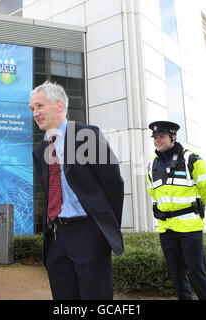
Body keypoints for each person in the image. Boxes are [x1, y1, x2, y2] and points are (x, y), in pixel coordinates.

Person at [31, 81, 124, 300]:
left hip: (89, 233)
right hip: (56, 238)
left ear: (59, 106)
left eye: (40, 106)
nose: (35, 113)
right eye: (32, 109)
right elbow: (47, 192)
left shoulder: (87, 136)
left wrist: (104, 229)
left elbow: (113, 185)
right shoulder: (40, 150)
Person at [146, 120, 206, 300]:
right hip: (166, 228)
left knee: (197, 272)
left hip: (190, 228)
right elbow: (153, 191)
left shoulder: (192, 159)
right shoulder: (152, 164)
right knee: (177, 275)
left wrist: (194, 209)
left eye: (161, 137)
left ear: (173, 137)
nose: (157, 140)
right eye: (155, 137)